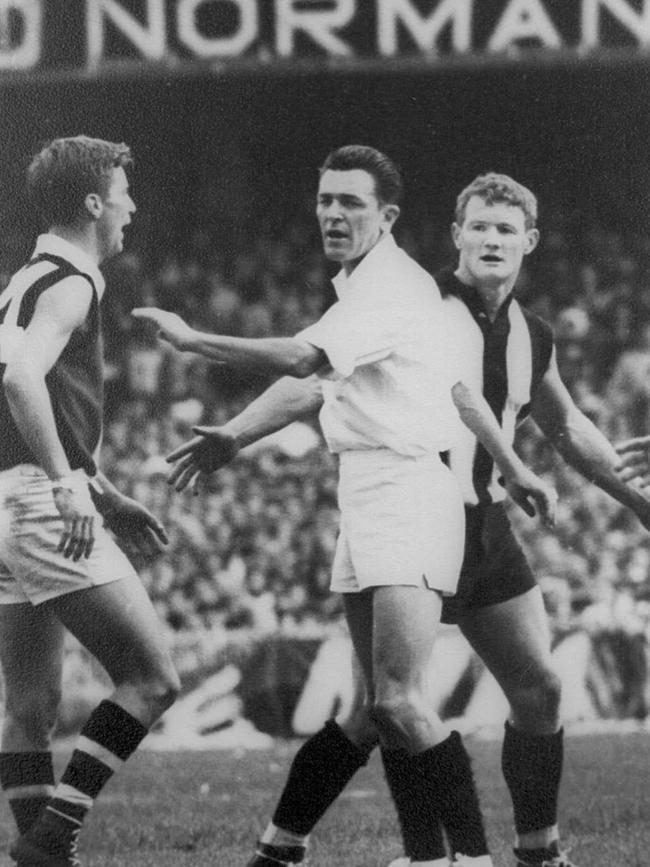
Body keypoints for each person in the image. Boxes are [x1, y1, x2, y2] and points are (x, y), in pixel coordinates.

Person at [161, 172, 650, 867]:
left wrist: (636, 502)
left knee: (536, 687)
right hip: (416, 509)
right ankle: (353, 849)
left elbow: (568, 427)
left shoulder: (529, 334)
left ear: (529, 242)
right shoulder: (414, 304)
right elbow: (313, 379)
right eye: (478, 225)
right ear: (455, 235)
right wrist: (239, 433)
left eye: (506, 229)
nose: (490, 238)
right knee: (382, 707)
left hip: (487, 526)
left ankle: (537, 852)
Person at [0, 136, 180, 867]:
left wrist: (101, 489)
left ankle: (39, 853)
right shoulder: (71, 279)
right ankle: (51, 840)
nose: (133, 206)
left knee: (29, 708)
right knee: (153, 677)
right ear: (94, 203)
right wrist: (69, 484)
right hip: (40, 501)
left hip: (8, 501)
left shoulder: (23, 279)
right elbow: (19, 380)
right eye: (124, 193)